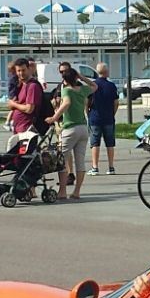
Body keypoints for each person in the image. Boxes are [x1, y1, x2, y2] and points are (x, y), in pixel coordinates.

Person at [51, 63, 91, 200]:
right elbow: (95, 86)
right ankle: (77, 191)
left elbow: (66, 103)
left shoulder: (66, 90)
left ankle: (62, 191)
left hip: (70, 128)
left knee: (61, 160)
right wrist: (82, 77)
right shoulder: (83, 89)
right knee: (80, 161)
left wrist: (54, 117)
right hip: (83, 129)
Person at [87, 63, 119, 175]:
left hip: (95, 117)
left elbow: (87, 102)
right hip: (109, 118)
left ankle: (95, 167)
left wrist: (87, 114)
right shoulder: (111, 86)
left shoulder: (92, 85)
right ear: (107, 72)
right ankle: (111, 167)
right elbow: (116, 103)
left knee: (95, 143)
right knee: (110, 143)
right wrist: (112, 113)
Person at [6, 59, 46, 145]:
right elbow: (11, 105)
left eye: (23, 70)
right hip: (18, 128)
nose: (21, 73)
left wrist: (14, 104)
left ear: (29, 69)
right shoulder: (20, 85)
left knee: (25, 157)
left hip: (27, 129)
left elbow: (29, 109)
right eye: (18, 71)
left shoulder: (32, 86)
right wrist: (12, 104)